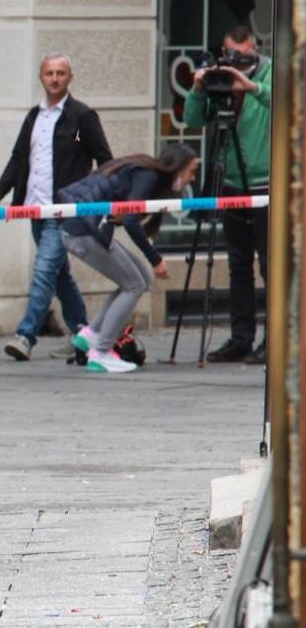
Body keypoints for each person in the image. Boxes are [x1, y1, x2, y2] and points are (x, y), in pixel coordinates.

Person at [0, 53, 113, 361]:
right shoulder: (34, 117)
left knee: (44, 270)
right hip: (34, 209)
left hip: (64, 210)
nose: (54, 78)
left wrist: (92, 196)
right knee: (58, 275)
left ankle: (25, 335)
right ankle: (83, 332)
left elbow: (102, 157)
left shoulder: (80, 119)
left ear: (70, 78)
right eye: (49, 73)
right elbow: (19, 157)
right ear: (41, 77)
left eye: (60, 73)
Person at [58, 146, 200, 374]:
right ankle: (101, 352)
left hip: (86, 230)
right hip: (83, 232)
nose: (192, 178)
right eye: (191, 171)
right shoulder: (150, 175)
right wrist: (156, 259)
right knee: (134, 284)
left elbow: (127, 215)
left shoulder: (148, 174)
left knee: (140, 278)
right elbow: (132, 219)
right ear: (178, 166)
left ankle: (91, 334)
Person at [184, 23, 272, 363]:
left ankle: (273, 339)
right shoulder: (220, 78)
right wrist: (198, 88)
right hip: (231, 183)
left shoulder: (269, 75)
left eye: (242, 56)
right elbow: (194, 118)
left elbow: (289, 108)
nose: (234, 62)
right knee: (238, 265)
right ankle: (241, 337)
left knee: (270, 265)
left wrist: (252, 87)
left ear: (255, 49)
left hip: (265, 184)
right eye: (229, 55)